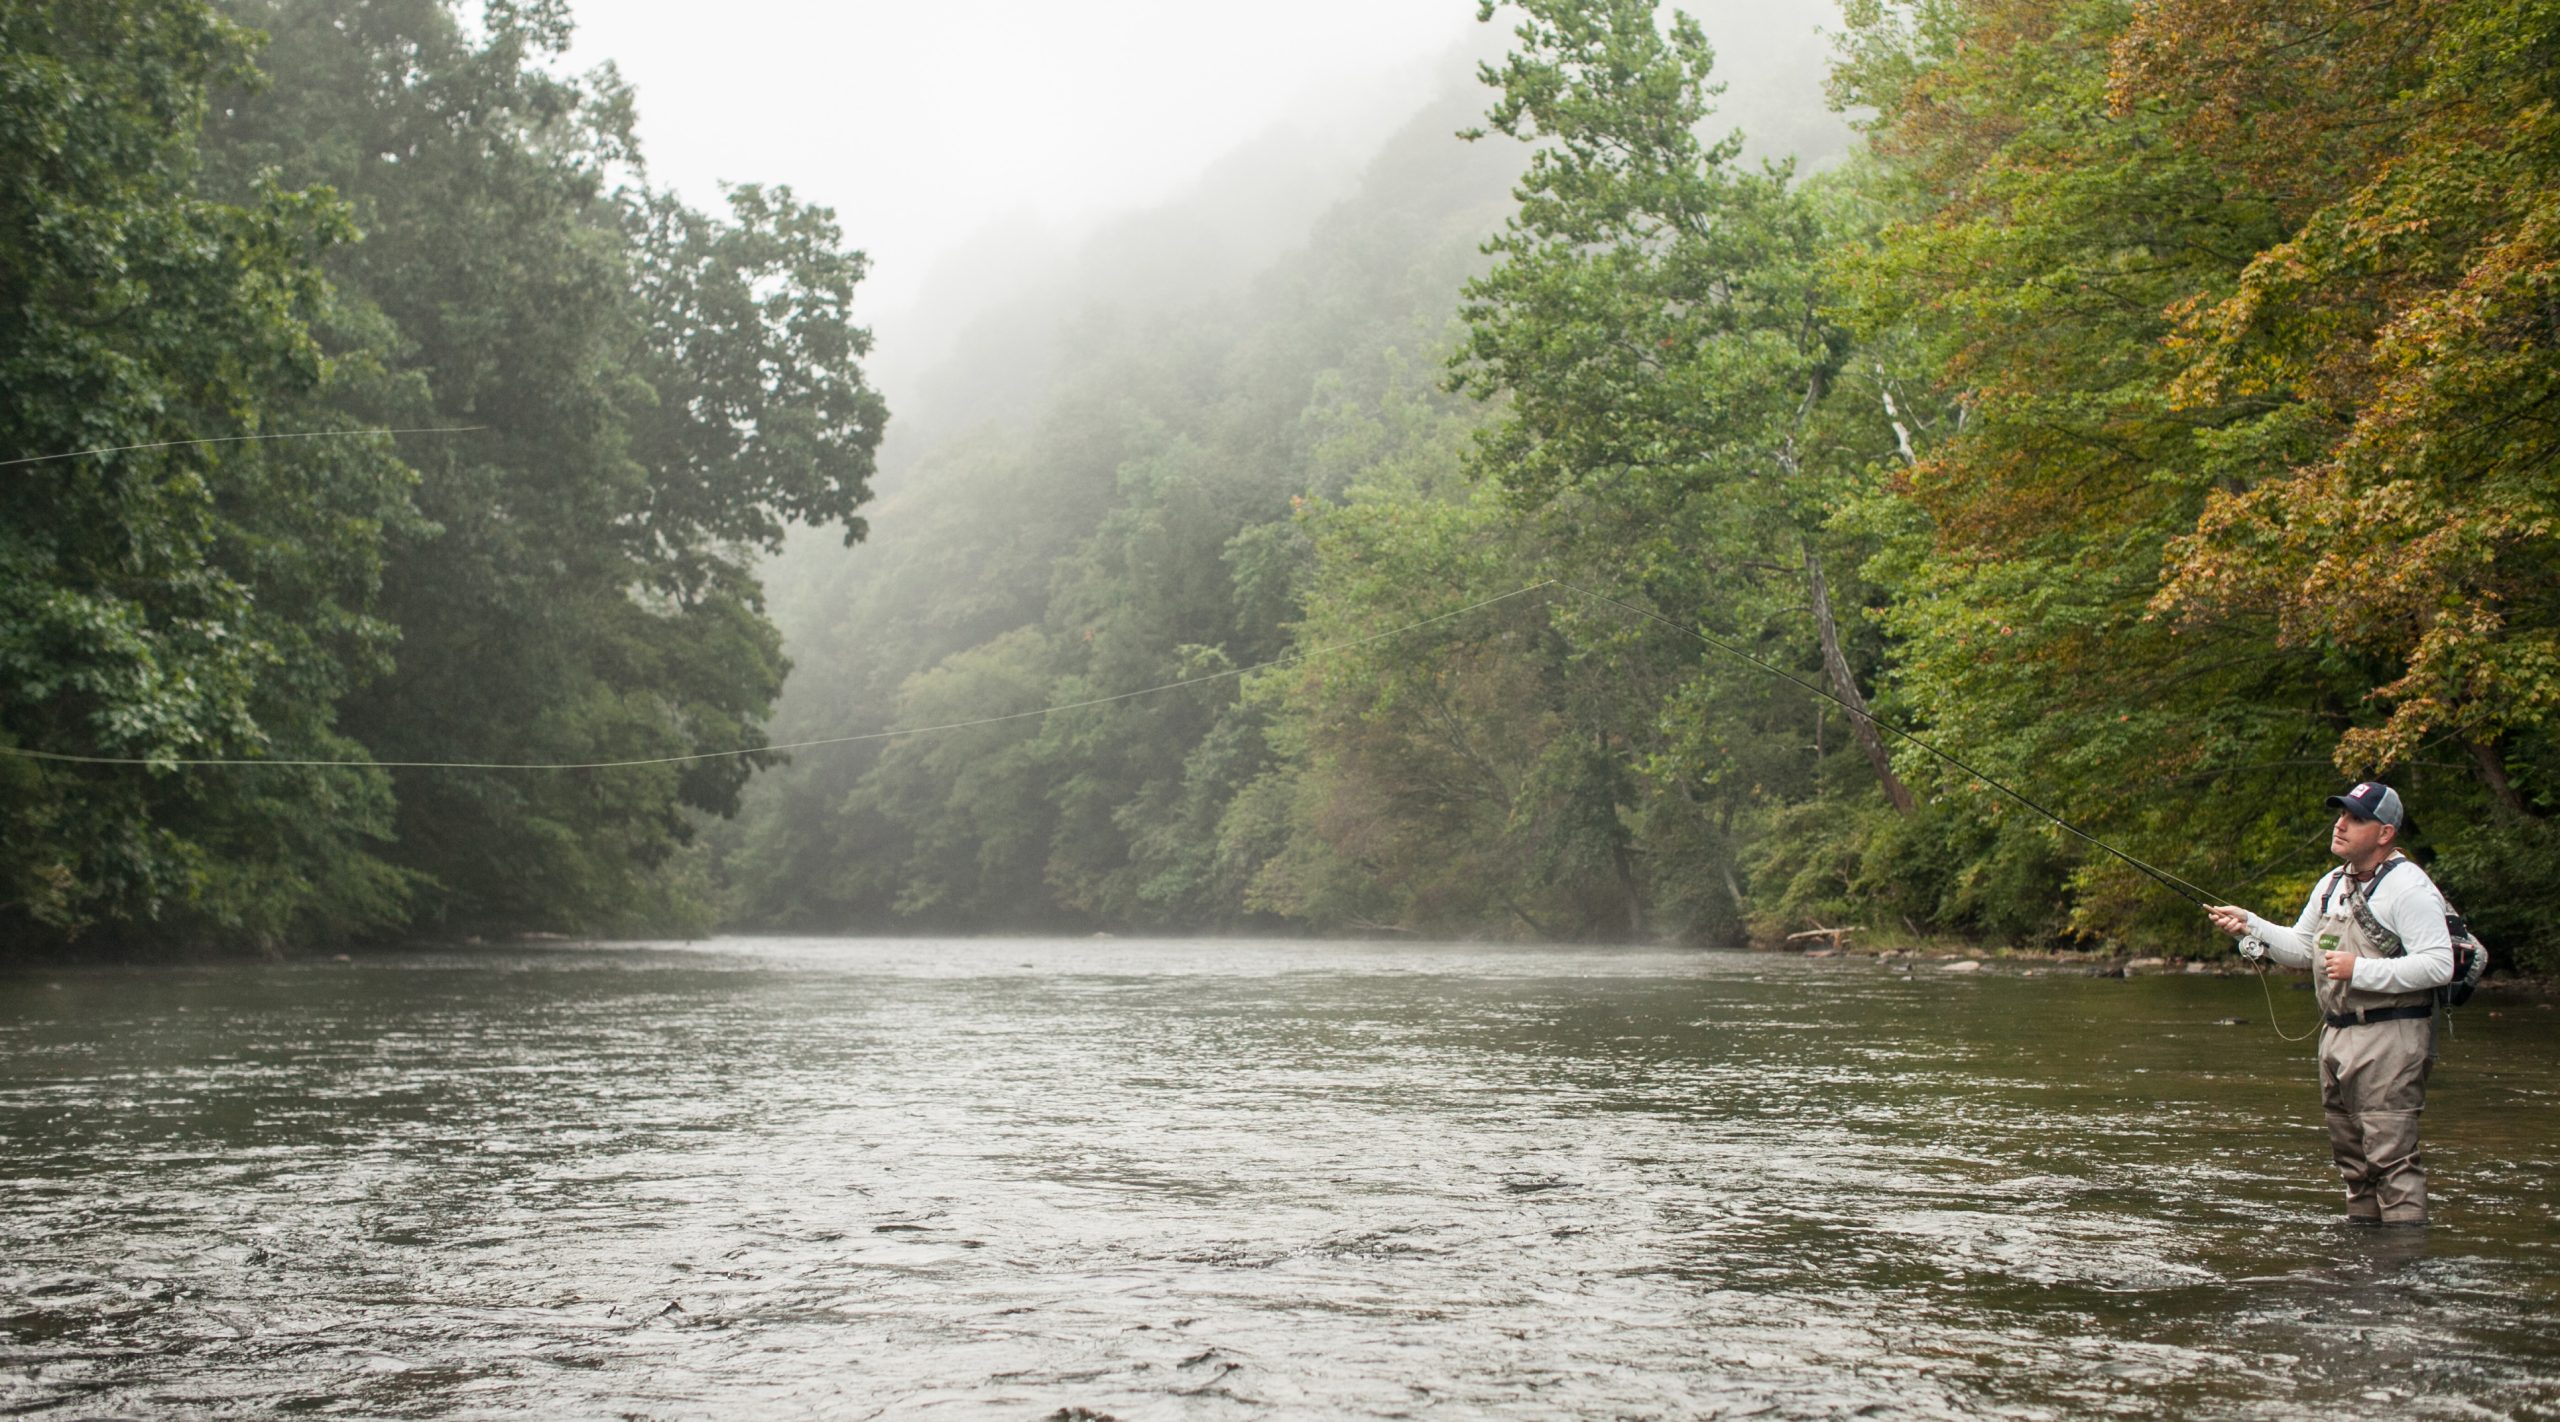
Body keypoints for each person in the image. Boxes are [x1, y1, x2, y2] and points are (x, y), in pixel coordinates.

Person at [2206, 781, 2453, 1225]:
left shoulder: (2408, 887)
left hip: (2391, 1035)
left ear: (2385, 833)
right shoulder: (2331, 884)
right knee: (2354, 1166)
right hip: (2337, 1035)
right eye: (2340, 815)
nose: (2340, 824)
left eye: (2356, 818)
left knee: (2393, 1162)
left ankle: (2403, 1275)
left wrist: (2361, 970)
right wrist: (2251, 925)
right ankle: (2361, 1262)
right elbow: (2302, 950)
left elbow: (2439, 965)